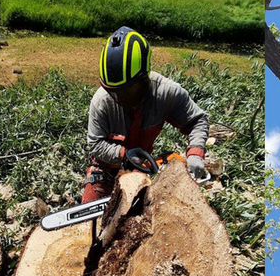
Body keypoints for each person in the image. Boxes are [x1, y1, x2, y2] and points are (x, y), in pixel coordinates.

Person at [82, 26, 209, 203]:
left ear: (144, 78)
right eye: (114, 92)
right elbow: (96, 144)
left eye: (126, 91)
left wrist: (195, 152)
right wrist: (124, 154)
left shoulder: (165, 92)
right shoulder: (102, 101)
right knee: (90, 215)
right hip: (106, 168)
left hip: (142, 166)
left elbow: (197, 120)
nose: (119, 98)